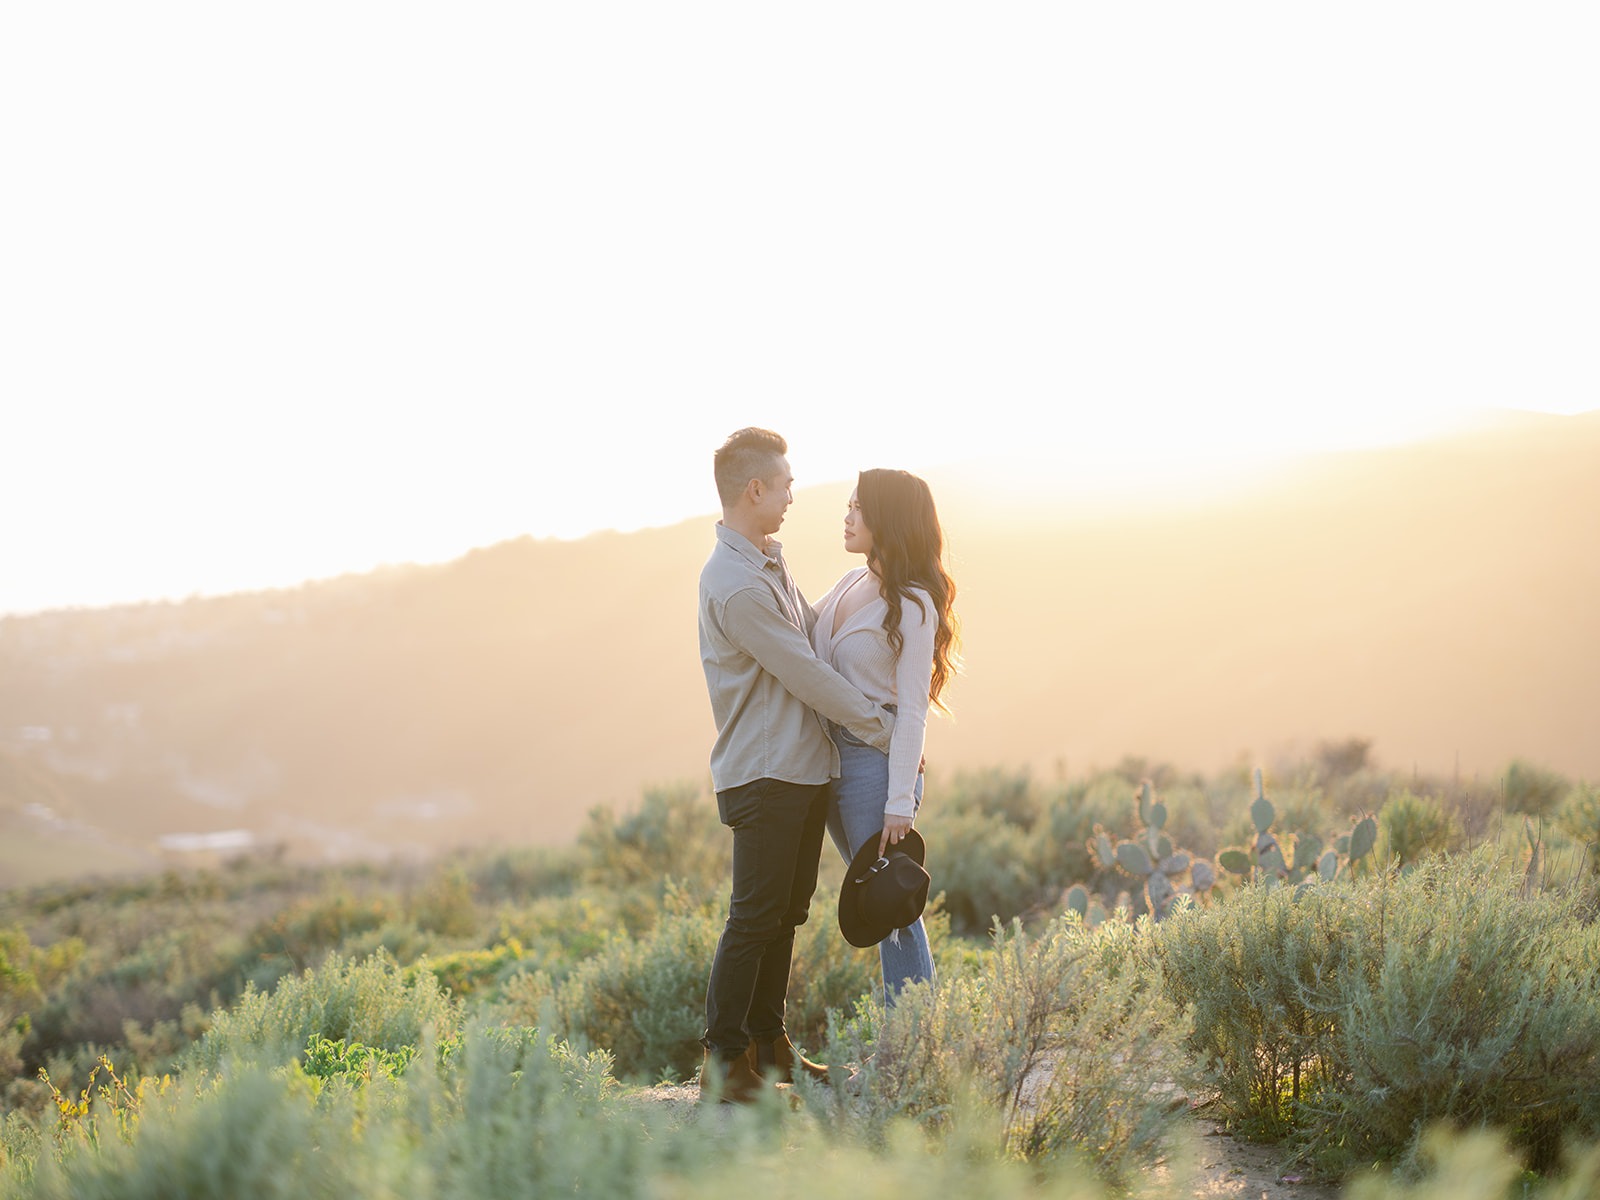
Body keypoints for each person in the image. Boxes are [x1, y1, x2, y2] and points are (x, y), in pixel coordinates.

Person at [696, 427, 898, 1103]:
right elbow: (805, 670)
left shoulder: (766, 563)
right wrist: (881, 728)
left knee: (785, 916)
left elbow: (815, 633)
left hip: (803, 770)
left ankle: (769, 1045)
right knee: (753, 916)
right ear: (754, 490)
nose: (791, 496)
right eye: (784, 484)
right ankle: (725, 1063)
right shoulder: (734, 584)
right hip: (766, 773)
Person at [810, 468, 959, 1001]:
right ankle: (911, 1040)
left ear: (887, 519)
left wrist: (901, 801)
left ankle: (914, 1043)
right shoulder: (851, 581)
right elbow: (802, 625)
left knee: (890, 905)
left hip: (876, 765)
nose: (847, 517)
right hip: (832, 759)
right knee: (874, 897)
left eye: (858, 508)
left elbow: (914, 709)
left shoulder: (915, 601)